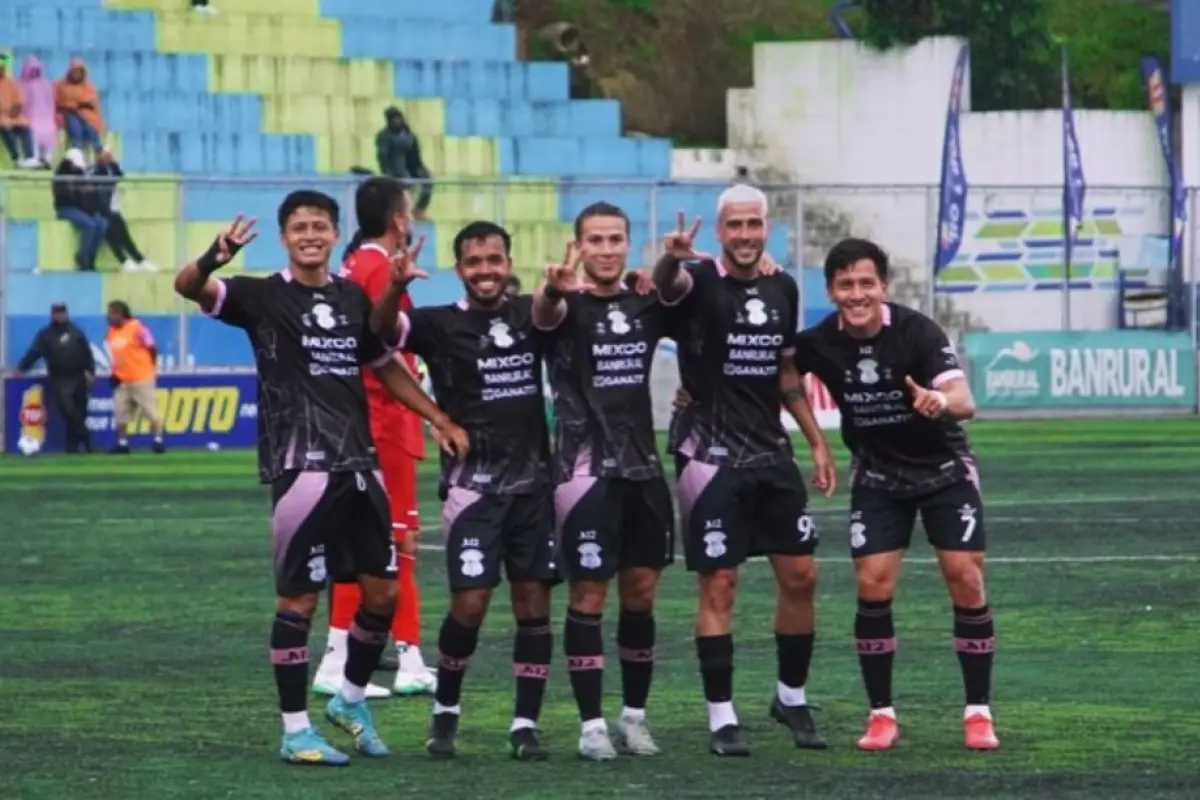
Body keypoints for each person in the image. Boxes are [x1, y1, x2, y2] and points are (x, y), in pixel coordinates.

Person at [172, 192, 468, 765]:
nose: (310, 234)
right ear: (285, 237)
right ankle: (294, 731)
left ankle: (351, 701)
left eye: (320, 226)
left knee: (381, 593)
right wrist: (213, 257)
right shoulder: (261, 295)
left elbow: (385, 364)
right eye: (300, 227)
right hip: (300, 468)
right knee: (299, 600)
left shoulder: (353, 295)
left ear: (335, 236)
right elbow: (189, 287)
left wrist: (438, 417)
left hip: (359, 466)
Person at [791, 237, 998, 753]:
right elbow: (778, 371)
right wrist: (816, 441)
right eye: (846, 284)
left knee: (966, 579)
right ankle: (881, 714)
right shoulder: (818, 342)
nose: (857, 294)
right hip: (879, 476)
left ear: (883, 286)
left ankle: (978, 712)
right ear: (832, 290)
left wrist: (938, 400)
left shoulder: (917, 332)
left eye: (866, 283)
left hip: (943, 469)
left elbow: (965, 400)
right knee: (872, 584)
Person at [652, 185, 836, 756]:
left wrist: (816, 442)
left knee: (802, 576)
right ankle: (721, 716)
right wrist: (670, 257)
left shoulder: (783, 286)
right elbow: (666, 286)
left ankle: (791, 697)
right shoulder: (697, 279)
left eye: (754, 225)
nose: (745, 235)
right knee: (721, 583)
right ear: (721, 231)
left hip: (770, 453)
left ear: (767, 227)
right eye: (734, 226)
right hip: (708, 457)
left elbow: (786, 376)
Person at [371, 221, 558, 762]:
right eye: (474, 262)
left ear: (508, 262)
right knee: (470, 604)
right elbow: (380, 344)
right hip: (473, 488)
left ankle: (525, 724)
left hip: (533, 487)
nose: (485, 270)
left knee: (533, 606)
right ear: (459, 269)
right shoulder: (437, 323)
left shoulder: (531, 316)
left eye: (494, 260)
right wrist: (394, 286)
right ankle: (446, 709)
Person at [529, 202, 678, 760]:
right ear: (580, 246)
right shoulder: (561, 301)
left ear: (626, 243)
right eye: (596, 240)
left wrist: (669, 262)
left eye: (616, 239)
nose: (607, 249)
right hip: (584, 473)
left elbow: (680, 287)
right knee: (590, 595)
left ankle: (633, 718)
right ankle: (591, 725)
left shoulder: (645, 300)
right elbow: (542, 316)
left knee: (640, 596)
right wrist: (554, 290)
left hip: (642, 469)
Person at [313, 177, 435, 699]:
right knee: (398, 541)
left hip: (367, 418)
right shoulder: (378, 266)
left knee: (365, 541)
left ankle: (340, 654)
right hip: (383, 419)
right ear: (398, 218)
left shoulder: (355, 265)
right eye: (408, 210)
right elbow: (382, 345)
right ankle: (407, 656)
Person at [13, 302, 95, 453]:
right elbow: (34, 353)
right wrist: (21, 368)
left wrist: (90, 371)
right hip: (60, 377)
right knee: (67, 409)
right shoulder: (46, 334)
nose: (60, 316)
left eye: (62, 313)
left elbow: (87, 353)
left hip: (79, 376)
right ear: (52, 315)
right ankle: (86, 436)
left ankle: (72, 447)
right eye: (57, 313)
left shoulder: (76, 331)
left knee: (80, 411)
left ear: (66, 314)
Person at [105, 301, 166, 453]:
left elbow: (151, 346)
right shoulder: (111, 332)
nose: (109, 317)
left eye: (112, 313)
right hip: (122, 379)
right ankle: (123, 443)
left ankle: (158, 440)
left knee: (151, 411)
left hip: (141, 377)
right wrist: (114, 373)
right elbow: (117, 355)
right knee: (120, 413)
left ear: (120, 314)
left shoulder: (137, 327)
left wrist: (150, 367)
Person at [91, 146, 158, 272]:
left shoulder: (110, 168)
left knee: (122, 232)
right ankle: (127, 260)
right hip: (97, 210)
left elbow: (120, 174)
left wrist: (113, 161)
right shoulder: (95, 170)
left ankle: (137, 259)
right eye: (103, 155)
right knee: (109, 230)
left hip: (108, 210)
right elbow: (94, 185)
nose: (106, 158)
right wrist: (101, 162)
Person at [53, 148, 108, 271]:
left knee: (102, 224)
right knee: (90, 225)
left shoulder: (79, 174)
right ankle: (82, 256)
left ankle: (91, 257)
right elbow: (66, 197)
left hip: (79, 208)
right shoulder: (62, 174)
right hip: (65, 208)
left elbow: (87, 193)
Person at [375, 106, 432, 219]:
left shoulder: (409, 135)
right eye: (393, 119)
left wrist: (420, 169)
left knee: (427, 178)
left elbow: (416, 154)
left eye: (398, 118)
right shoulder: (384, 136)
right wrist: (386, 172)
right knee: (404, 180)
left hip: (411, 164)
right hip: (395, 165)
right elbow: (383, 156)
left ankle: (419, 209)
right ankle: (403, 209)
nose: (397, 121)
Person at [54, 57, 105, 156]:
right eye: (75, 72)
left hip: (86, 115)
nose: (77, 75)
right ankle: (77, 153)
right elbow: (59, 101)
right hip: (68, 114)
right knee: (75, 128)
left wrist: (78, 104)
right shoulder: (61, 85)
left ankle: (99, 152)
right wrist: (73, 105)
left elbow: (91, 102)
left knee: (90, 129)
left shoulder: (88, 87)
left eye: (79, 72)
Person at [0, 54, 40, 169]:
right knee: (5, 127)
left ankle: (30, 157)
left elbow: (19, 101)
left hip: (13, 115)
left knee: (25, 126)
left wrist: (14, 111)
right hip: (2, 118)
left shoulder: (11, 83)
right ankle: (16, 158)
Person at [17, 55, 57, 167]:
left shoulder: (45, 84)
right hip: (28, 116)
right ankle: (35, 158)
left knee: (50, 129)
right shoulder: (21, 84)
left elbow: (50, 102)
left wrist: (50, 116)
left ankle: (47, 158)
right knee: (33, 129)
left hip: (45, 116)